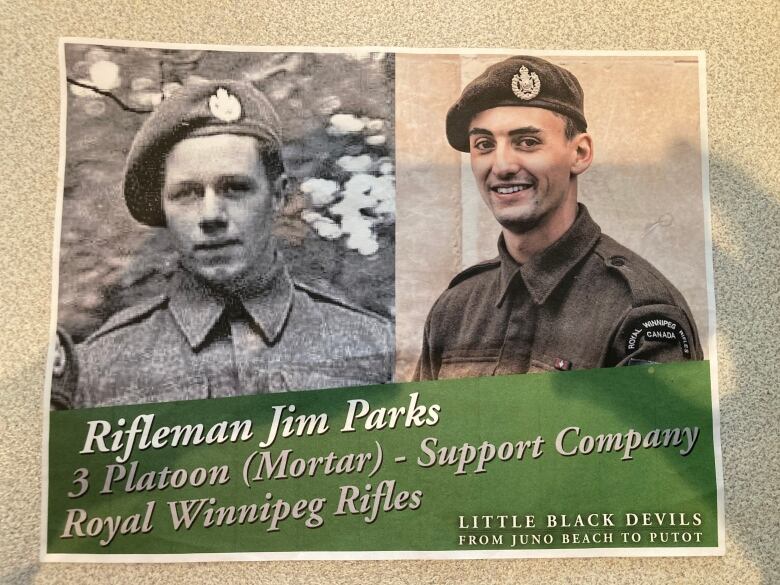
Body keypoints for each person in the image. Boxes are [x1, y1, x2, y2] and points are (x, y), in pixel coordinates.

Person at [65, 80, 393, 408]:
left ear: (278, 196)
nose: (211, 215)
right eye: (187, 193)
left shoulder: (372, 344)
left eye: (235, 188)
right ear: (163, 207)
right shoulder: (101, 365)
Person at [414, 56, 702, 381]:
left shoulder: (637, 314)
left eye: (527, 142)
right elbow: (422, 433)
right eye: (484, 145)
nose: (503, 165)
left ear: (579, 154)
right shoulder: (455, 309)